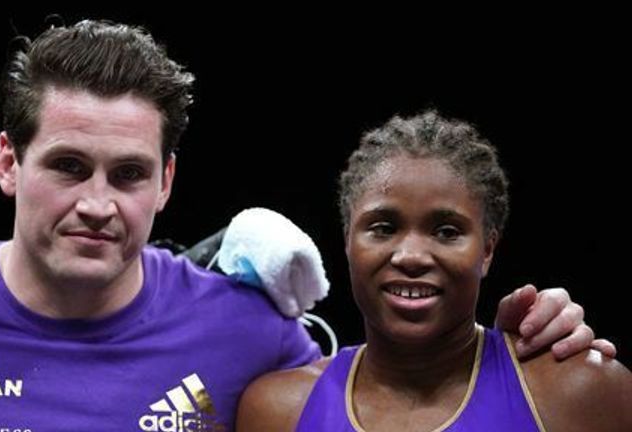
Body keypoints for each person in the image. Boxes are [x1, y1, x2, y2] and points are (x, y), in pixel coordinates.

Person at [0, 20, 612, 431]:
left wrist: (537, 339)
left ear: (166, 182)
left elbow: (401, 377)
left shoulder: (247, 335)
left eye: (127, 174)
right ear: (7, 164)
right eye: (68, 166)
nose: (97, 203)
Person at [236, 111, 632, 432]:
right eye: (384, 228)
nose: (411, 256)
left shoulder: (580, 391)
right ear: (347, 242)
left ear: (487, 250)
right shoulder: (277, 412)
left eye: (446, 231)